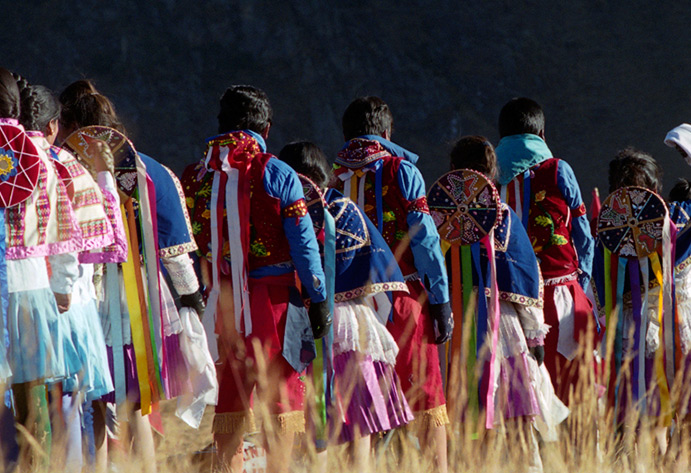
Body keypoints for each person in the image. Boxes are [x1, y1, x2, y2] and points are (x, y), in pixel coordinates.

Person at [181, 86, 329, 473]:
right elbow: (303, 245)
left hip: (221, 303)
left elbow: (190, 245)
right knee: (281, 399)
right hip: (276, 304)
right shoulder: (277, 172)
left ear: (221, 124)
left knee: (230, 400)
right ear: (266, 126)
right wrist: (319, 296)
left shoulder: (196, 175)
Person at [60, 84, 205, 473]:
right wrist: (193, 302)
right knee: (138, 397)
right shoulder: (154, 171)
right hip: (139, 293)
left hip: (83, 291)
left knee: (95, 394)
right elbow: (175, 251)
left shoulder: (62, 170)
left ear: (71, 125)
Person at [332, 96, 452, 472]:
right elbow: (426, 240)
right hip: (404, 296)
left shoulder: (333, 178)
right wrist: (441, 297)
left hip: (351, 307)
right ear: (385, 133)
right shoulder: (401, 170)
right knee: (427, 396)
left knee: (362, 398)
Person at [278, 141, 413, 470]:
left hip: (304, 319)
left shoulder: (286, 209)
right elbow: (373, 266)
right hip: (353, 323)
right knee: (358, 412)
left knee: (315, 410)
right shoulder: (346, 208)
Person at [443, 136, 567, 471]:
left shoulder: (441, 217)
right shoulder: (506, 216)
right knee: (515, 418)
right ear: (491, 170)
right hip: (506, 328)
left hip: (457, 326)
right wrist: (534, 336)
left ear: (453, 170)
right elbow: (525, 276)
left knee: (469, 420)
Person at [494, 97, 596, 404]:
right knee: (571, 380)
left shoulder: (489, 175)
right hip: (560, 291)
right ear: (541, 135)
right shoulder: (558, 170)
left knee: (519, 386)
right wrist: (583, 280)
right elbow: (583, 234)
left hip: (506, 295)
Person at [591, 148, 671, 453]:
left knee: (636, 411)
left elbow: (598, 282)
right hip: (647, 329)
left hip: (640, 328)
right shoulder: (664, 227)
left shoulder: (605, 231)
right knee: (648, 413)